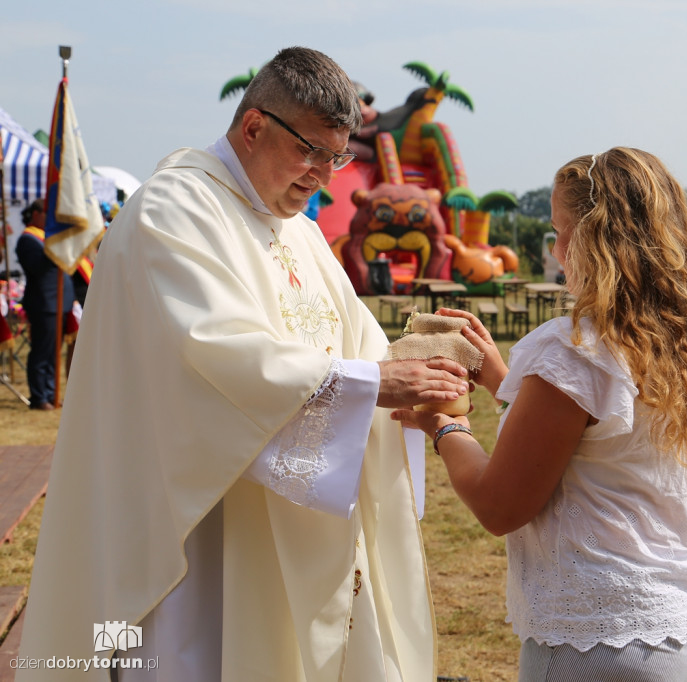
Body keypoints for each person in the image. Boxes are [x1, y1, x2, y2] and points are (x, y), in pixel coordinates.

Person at [17, 47, 470, 681]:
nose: (322, 176)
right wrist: (372, 385)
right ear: (254, 126)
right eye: (311, 150)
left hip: (301, 516)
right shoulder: (174, 209)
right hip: (204, 523)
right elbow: (212, 353)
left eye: (337, 157)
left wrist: (420, 366)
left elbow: (357, 341)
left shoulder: (301, 231)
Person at [395, 148, 687, 681]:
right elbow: (595, 434)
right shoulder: (679, 339)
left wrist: (446, 427)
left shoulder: (574, 349)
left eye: (560, 231)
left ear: (593, 240)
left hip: (602, 639)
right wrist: (506, 379)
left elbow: (499, 505)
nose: (555, 250)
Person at [14, 198, 74, 411]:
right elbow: (39, 267)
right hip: (44, 303)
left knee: (53, 353)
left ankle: (50, 392)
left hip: (58, 302)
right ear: (36, 214)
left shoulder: (45, 238)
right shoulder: (28, 240)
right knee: (42, 352)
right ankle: (39, 397)